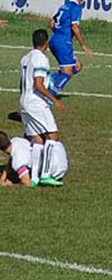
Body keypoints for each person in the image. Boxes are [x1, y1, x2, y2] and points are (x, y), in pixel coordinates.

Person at [19, 29, 66, 186]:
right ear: (46, 42)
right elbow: (38, 84)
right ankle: (45, 174)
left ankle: (33, 179)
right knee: (53, 137)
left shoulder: (26, 58)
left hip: (25, 100)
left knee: (38, 139)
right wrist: (55, 100)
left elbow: (22, 83)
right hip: (36, 103)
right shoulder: (41, 59)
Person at [48, 0, 93, 96]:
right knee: (68, 72)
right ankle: (49, 96)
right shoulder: (76, 7)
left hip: (55, 40)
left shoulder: (64, 6)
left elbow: (51, 23)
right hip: (63, 42)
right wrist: (83, 45)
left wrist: (59, 34)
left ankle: (49, 81)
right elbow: (75, 27)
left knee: (77, 66)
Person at [0, 132, 67, 187]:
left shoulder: (18, 161)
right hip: (60, 154)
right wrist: (3, 178)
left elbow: (27, 183)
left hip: (56, 171)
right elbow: (12, 158)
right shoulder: (16, 141)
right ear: (8, 138)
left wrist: (10, 184)